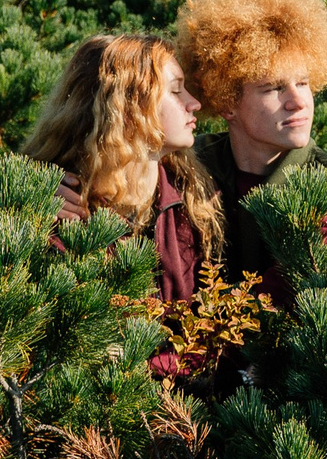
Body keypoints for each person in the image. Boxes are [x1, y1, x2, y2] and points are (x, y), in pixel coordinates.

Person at [21, 33, 225, 374]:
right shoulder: (60, 210)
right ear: (128, 106)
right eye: (175, 91)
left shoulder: (194, 198)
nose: (194, 104)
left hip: (188, 398)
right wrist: (33, 200)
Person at [174, 0, 327, 314]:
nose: (298, 102)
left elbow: (274, 303)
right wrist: (69, 195)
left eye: (303, 83)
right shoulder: (187, 162)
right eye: (273, 88)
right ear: (226, 102)